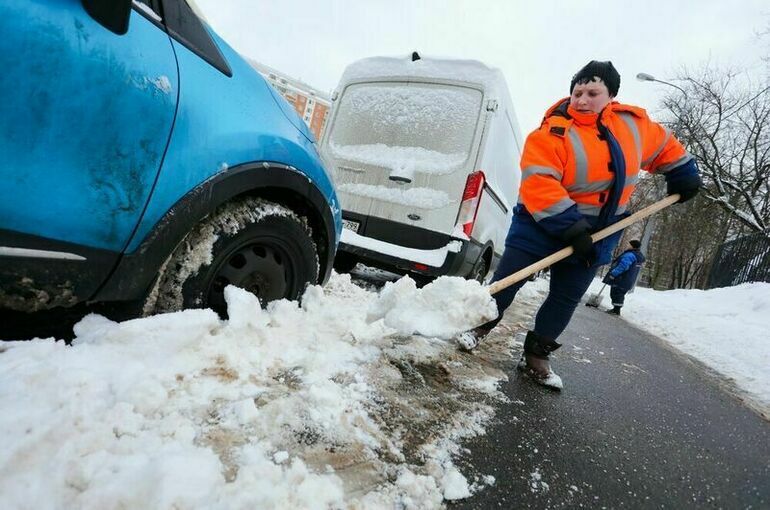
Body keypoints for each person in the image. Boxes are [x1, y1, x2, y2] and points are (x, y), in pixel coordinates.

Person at [457, 60, 701, 390]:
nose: (582, 99)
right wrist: (570, 227)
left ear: (611, 95)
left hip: (601, 231)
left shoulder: (634, 125)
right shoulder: (553, 131)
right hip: (541, 222)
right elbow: (539, 181)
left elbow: (665, 147)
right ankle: (477, 327)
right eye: (577, 92)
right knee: (508, 281)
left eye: (592, 92)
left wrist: (682, 172)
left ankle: (537, 357)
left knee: (566, 296)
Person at [604, 239, 646, 315]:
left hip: (621, 278)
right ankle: (616, 309)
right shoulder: (638, 256)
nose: (627, 245)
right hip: (629, 279)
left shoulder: (630, 255)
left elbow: (623, 266)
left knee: (616, 293)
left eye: (629, 244)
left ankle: (616, 310)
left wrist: (613, 273)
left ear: (632, 246)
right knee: (619, 294)